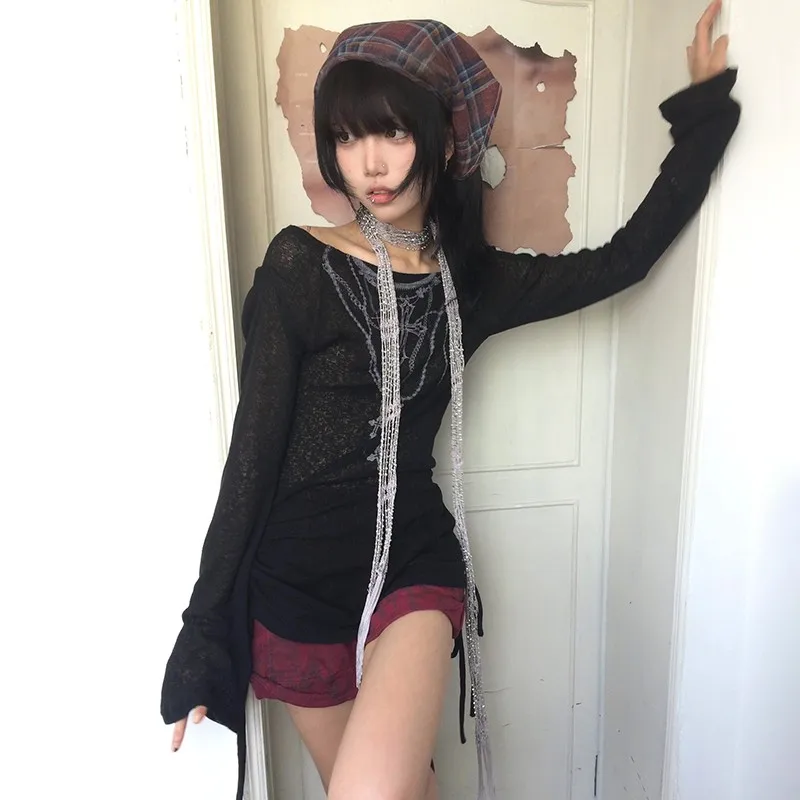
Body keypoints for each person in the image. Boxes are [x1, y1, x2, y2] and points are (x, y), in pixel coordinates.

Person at [161, 4, 739, 799]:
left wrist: (703, 119)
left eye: (393, 132)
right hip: (295, 585)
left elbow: (624, 262)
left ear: (441, 140)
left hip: (413, 564)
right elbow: (251, 461)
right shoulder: (299, 267)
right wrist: (202, 631)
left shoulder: (474, 283)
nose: (369, 162)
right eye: (347, 136)